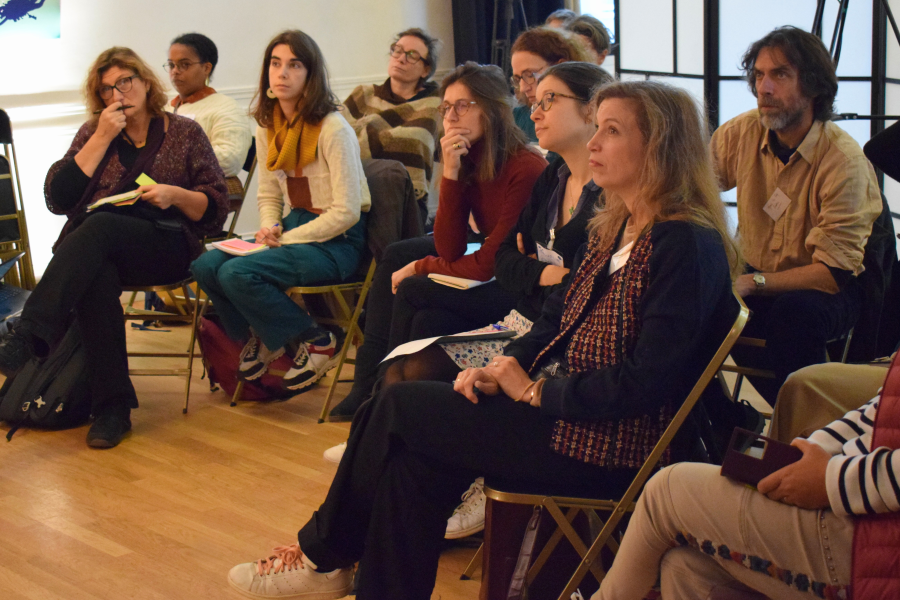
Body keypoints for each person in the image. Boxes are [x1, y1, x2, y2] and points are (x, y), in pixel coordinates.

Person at [226, 80, 741, 600]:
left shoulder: (685, 244)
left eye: (612, 131)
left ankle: (321, 556)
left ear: (658, 146)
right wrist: (503, 369)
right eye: (597, 128)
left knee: (401, 406)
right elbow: (553, 321)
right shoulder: (616, 226)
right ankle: (341, 571)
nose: (593, 144)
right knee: (414, 463)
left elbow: (648, 383)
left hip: (613, 445)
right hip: (568, 419)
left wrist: (536, 392)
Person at [324, 63, 614, 542]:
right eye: (446, 108)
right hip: (528, 313)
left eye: (548, 101)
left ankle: (382, 442)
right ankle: (386, 446)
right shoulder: (555, 178)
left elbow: (530, 274)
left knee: (412, 332)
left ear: (589, 111)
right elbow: (479, 252)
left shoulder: (535, 168)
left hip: (540, 329)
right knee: (416, 340)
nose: (535, 111)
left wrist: (530, 271)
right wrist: (452, 173)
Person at [0, 47, 228, 448]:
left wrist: (175, 195)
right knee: (95, 269)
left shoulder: (184, 133)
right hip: (104, 250)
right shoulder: (94, 133)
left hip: (167, 244)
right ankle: (113, 410)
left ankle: (29, 334)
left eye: (126, 81)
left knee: (98, 228)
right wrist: (103, 136)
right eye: (107, 89)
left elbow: (215, 208)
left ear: (144, 82)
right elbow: (58, 197)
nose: (118, 93)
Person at [327, 62, 546, 420]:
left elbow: (489, 264)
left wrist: (420, 266)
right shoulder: (469, 160)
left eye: (463, 105)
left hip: (522, 291)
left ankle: (374, 409)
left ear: (491, 110)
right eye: (446, 107)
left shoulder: (524, 167)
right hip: (494, 280)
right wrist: (451, 172)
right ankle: (401, 417)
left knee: (414, 286)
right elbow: (449, 248)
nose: (451, 115)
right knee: (427, 320)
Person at [592, 355, 899, 600]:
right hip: (865, 509)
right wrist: (808, 452)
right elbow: (884, 408)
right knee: (686, 569)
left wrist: (832, 480)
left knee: (667, 489)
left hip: (877, 541)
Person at [191, 30, 370, 394]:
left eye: (294, 65)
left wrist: (285, 238)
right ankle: (262, 338)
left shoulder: (333, 128)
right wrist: (271, 225)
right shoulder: (268, 124)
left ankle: (317, 339)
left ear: (310, 74)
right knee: (205, 265)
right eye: (275, 64)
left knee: (238, 274)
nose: (282, 73)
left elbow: (347, 211)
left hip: (338, 242)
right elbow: (270, 193)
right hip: (296, 228)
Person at [711, 26, 882, 404]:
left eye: (780, 74)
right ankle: (723, 420)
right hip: (757, 271)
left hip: (826, 287)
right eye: (758, 75)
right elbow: (696, 187)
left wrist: (752, 282)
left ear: (815, 86)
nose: (764, 88)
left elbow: (831, 273)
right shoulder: (742, 132)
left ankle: (803, 431)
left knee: (793, 316)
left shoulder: (844, 161)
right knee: (697, 300)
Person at [342, 28, 442, 215]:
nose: (401, 58)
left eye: (412, 55)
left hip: (406, 203)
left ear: (426, 69)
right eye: (398, 50)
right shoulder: (363, 95)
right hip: (355, 194)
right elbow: (335, 136)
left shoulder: (436, 105)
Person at [165, 32, 252, 188]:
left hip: (196, 194)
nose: (175, 71)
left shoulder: (226, 108)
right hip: (160, 188)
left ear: (206, 68)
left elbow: (230, 160)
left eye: (184, 64)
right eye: (171, 65)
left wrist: (170, 160)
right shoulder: (166, 108)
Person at [510, 27, 590, 143]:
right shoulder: (518, 118)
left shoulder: (585, 115)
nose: (523, 88)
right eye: (518, 79)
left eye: (531, 75)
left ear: (562, 66)